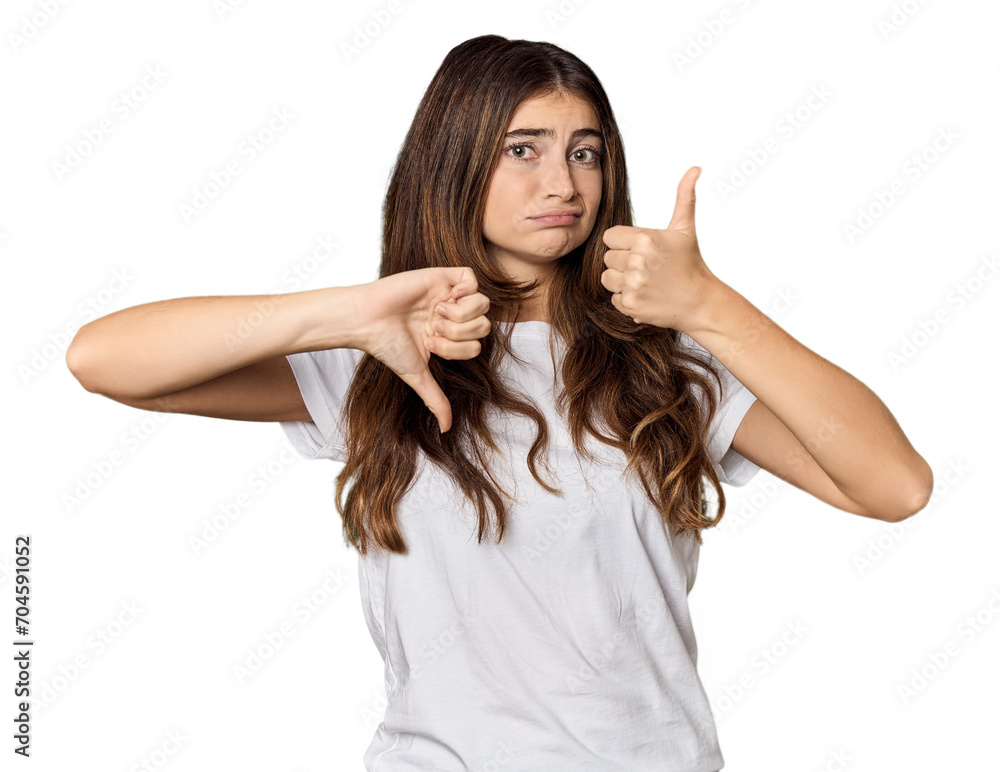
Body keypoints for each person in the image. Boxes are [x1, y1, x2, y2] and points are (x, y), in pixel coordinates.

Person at [66, 34, 933, 772]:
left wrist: (710, 307)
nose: (562, 182)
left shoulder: (670, 366)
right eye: (524, 149)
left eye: (584, 151)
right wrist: (348, 312)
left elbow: (895, 486)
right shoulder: (385, 359)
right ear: (457, 161)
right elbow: (103, 359)